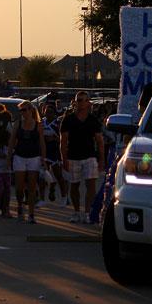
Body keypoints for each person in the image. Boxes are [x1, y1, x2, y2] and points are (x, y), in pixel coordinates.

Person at [60, 91, 105, 224]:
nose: (81, 103)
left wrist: (102, 159)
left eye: (84, 100)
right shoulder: (68, 120)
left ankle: (87, 212)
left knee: (91, 185)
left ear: (88, 103)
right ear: (75, 102)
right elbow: (63, 141)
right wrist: (64, 159)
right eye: (79, 100)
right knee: (74, 186)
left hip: (90, 156)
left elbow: (100, 141)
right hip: (73, 156)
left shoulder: (93, 120)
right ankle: (76, 212)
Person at [9, 101, 46, 224]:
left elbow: (42, 143)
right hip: (20, 156)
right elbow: (12, 141)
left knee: (31, 187)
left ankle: (31, 214)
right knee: (19, 187)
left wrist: (43, 158)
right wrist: (9, 157)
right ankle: (20, 205)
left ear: (31, 110)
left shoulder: (38, 125)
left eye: (24, 110)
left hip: (34, 158)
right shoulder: (17, 124)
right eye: (21, 111)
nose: (23, 113)